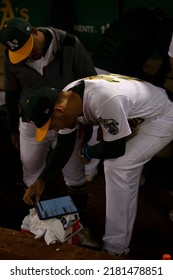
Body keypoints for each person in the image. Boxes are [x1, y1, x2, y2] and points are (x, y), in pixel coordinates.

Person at [23, 73, 173, 255]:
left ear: (59, 111)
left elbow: (115, 149)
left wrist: (88, 152)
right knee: (116, 163)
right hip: (139, 113)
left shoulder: (104, 100)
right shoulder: (68, 97)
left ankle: (116, 249)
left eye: (51, 125)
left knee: (118, 166)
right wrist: (42, 179)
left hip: (163, 115)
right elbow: (64, 145)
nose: (53, 129)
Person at [0, 17, 99, 224]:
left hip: (66, 120)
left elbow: (91, 83)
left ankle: (80, 226)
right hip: (31, 123)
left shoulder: (69, 43)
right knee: (31, 172)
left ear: (35, 31)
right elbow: (11, 92)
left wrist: (86, 124)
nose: (28, 55)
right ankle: (34, 223)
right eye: (21, 53)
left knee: (74, 175)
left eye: (29, 48)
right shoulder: (13, 56)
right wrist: (12, 129)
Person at [92, 7, 173, 88]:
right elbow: (168, 58)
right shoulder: (156, 23)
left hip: (93, 69)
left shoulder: (131, 16)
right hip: (115, 75)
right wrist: (158, 83)